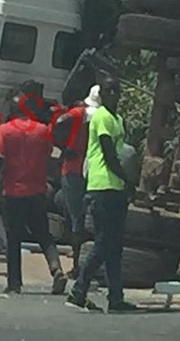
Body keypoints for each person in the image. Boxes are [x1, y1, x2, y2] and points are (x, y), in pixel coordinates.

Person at [65, 76, 138, 313]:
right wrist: (128, 180)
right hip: (102, 186)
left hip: (114, 188)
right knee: (104, 242)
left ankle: (116, 298)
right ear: (102, 95)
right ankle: (79, 290)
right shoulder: (101, 117)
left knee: (114, 246)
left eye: (115, 90)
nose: (113, 94)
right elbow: (109, 154)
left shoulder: (118, 120)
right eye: (108, 90)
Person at [0, 92, 67, 295]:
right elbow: (49, 156)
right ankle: (56, 268)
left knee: (14, 238)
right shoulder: (42, 130)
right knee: (43, 234)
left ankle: (14, 283)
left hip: (13, 192)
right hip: (37, 191)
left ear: (13, 110)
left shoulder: (5, 130)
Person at [50, 85, 101, 279]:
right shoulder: (103, 116)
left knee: (76, 220)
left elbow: (59, 122)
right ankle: (81, 263)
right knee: (86, 219)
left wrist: (62, 147)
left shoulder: (79, 113)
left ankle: (78, 264)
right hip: (92, 172)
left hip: (74, 170)